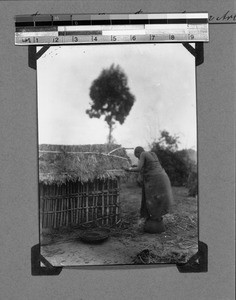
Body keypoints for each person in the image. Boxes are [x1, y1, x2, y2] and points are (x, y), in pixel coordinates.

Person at [125, 146, 174, 233]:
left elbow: (139, 168)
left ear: (138, 153)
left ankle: (154, 221)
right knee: (158, 199)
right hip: (163, 177)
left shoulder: (143, 154)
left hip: (155, 179)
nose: (138, 158)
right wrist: (134, 166)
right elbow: (149, 165)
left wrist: (128, 169)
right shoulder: (153, 154)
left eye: (137, 157)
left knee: (152, 199)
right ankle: (157, 218)